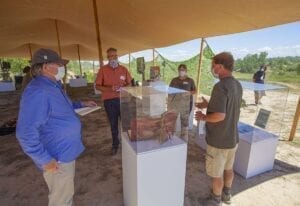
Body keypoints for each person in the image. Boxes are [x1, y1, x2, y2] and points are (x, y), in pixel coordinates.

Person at [16, 48, 97, 206]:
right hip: (56, 156)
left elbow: (62, 107)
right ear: (46, 67)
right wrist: (45, 160)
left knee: (66, 193)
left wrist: (81, 104)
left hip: (64, 152)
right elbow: (25, 133)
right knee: (61, 199)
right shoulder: (38, 91)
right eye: (59, 64)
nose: (62, 68)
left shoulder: (53, 86)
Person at [195, 52, 243, 206]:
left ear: (220, 66)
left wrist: (203, 117)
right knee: (229, 169)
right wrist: (208, 104)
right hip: (232, 139)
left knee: (216, 175)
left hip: (218, 141)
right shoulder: (237, 84)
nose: (212, 68)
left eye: (213, 65)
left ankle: (215, 200)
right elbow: (227, 106)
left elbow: (220, 115)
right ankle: (227, 194)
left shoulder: (220, 86)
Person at [95, 47, 132, 155]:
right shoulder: (103, 70)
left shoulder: (124, 69)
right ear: (107, 58)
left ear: (117, 56)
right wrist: (110, 88)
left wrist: (125, 88)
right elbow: (97, 86)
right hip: (109, 101)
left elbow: (130, 83)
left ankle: (129, 144)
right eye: (110, 56)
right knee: (113, 124)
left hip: (123, 99)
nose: (113, 58)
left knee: (126, 123)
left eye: (115, 56)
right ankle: (115, 145)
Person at [169, 64, 196, 139]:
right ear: (178, 71)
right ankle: (172, 137)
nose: (181, 71)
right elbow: (169, 91)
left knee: (184, 121)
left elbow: (195, 90)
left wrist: (190, 93)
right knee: (172, 120)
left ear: (186, 71)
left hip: (186, 105)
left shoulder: (190, 80)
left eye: (183, 70)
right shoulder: (174, 80)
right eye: (180, 70)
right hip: (175, 104)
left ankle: (184, 139)